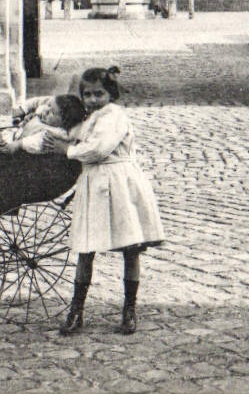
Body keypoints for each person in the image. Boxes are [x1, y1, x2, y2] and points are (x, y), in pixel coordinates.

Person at [44, 64, 164, 337]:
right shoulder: (90, 118)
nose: (93, 100)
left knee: (130, 246)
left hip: (120, 183)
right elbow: (73, 134)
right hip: (94, 183)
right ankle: (76, 309)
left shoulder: (114, 116)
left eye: (99, 94)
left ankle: (129, 308)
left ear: (111, 94)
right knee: (86, 247)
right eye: (87, 95)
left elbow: (99, 148)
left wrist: (69, 152)